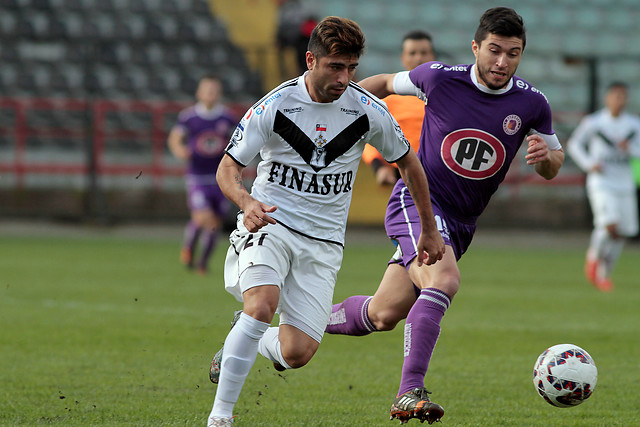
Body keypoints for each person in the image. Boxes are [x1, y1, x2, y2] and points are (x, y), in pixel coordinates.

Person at [325, 7, 565, 424]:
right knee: (445, 280)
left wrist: (546, 159)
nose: (502, 62)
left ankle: (294, 318)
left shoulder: (532, 103)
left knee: (382, 314)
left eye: (513, 53)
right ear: (476, 47)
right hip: (418, 202)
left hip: (462, 223)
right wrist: (336, 109)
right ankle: (408, 392)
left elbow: (554, 161)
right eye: (494, 51)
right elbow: (382, 83)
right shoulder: (438, 77)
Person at [205, 16, 445, 427]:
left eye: (351, 67)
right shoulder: (276, 104)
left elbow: (409, 162)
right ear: (310, 59)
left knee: (296, 353)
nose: (345, 77)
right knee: (262, 304)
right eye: (335, 66)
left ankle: (246, 336)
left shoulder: (367, 110)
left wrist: (428, 226)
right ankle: (220, 418)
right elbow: (228, 168)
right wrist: (246, 202)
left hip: (323, 244)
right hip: (271, 225)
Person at [567, 82, 640, 292]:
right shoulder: (595, 122)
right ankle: (592, 258)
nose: (619, 100)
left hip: (624, 182)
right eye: (615, 96)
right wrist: (590, 164)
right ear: (607, 98)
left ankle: (604, 275)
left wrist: (631, 149)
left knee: (623, 231)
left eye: (622, 96)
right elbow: (574, 144)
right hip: (602, 181)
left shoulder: (634, 125)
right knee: (609, 225)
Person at [167, 74, 237, 275]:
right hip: (197, 177)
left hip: (220, 178)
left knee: (214, 224)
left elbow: (238, 140)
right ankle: (189, 246)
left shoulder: (226, 117)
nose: (210, 94)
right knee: (202, 217)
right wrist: (180, 150)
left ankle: (202, 263)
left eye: (214, 90)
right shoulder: (190, 117)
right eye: (207, 90)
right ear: (199, 92)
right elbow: (175, 138)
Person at [362, 30, 436, 186]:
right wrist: (379, 167)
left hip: (440, 174)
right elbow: (369, 134)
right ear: (403, 58)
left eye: (424, 52)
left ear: (433, 56)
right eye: (412, 53)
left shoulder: (445, 95)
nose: (419, 58)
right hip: (402, 175)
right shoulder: (388, 97)